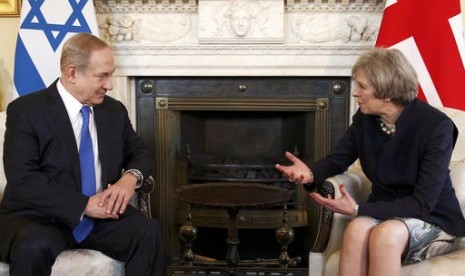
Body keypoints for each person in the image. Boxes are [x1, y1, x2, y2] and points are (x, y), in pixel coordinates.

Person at [275, 48, 465, 276]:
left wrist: (357, 208)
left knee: (385, 235)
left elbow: (422, 203)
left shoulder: (436, 127)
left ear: (386, 92)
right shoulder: (365, 120)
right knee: (355, 230)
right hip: (385, 210)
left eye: (362, 87)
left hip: (433, 217)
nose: (355, 93)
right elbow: (337, 159)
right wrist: (310, 173)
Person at [0, 33, 165, 276]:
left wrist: (129, 178)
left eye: (111, 74)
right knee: (32, 247)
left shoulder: (113, 111)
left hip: (101, 219)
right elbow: (22, 180)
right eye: (102, 76)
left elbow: (141, 152)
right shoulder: (26, 111)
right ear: (72, 73)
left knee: (148, 232)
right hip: (40, 216)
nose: (109, 85)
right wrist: (84, 205)